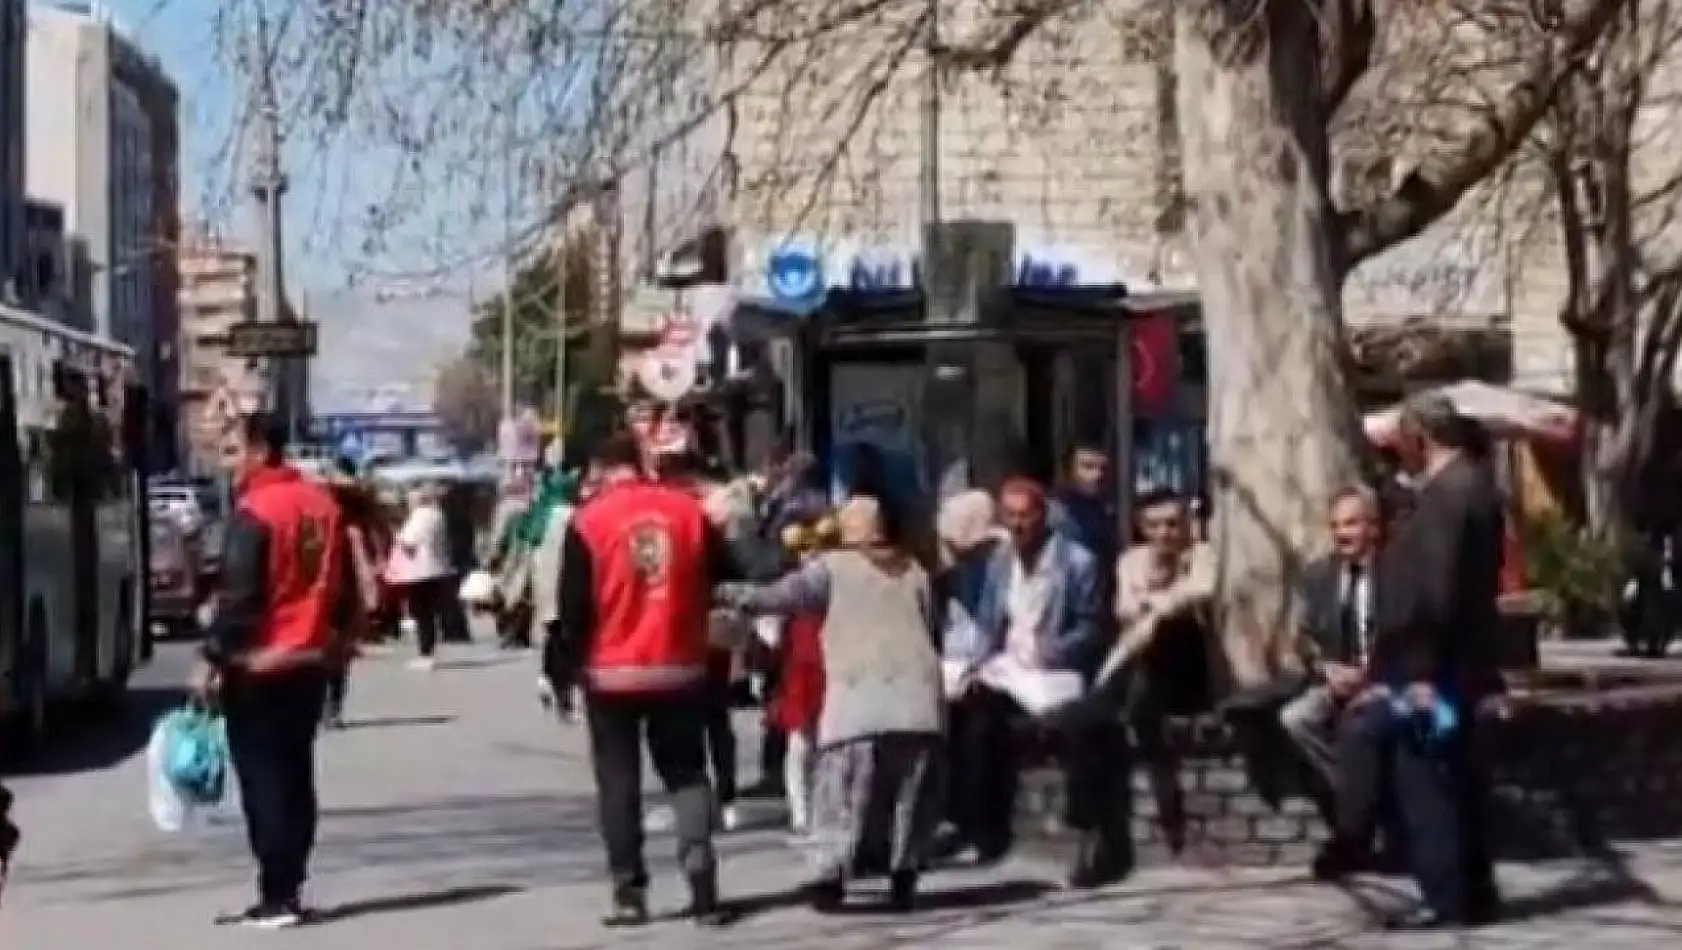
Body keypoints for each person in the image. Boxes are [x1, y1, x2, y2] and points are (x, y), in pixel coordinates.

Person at [716, 495, 945, 912]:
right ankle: (903, 872)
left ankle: (830, 876)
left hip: (859, 698)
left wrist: (731, 593)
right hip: (919, 699)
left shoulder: (832, 569)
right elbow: (931, 627)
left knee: (840, 792)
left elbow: (780, 597)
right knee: (907, 794)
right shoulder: (916, 571)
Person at [545, 433, 737, 927]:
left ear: (602, 469)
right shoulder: (688, 511)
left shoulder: (589, 521)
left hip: (612, 674)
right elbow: (727, 575)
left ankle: (629, 892)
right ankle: (701, 880)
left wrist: (563, 671)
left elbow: (573, 609)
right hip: (680, 665)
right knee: (687, 771)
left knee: (618, 783)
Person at [1344, 394, 1505, 929]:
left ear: (1422, 437)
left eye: (1401, 441)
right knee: (1457, 779)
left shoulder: (1447, 498)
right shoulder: (1476, 488)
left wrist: (1421, 676)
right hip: (1459, 660)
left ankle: (1448, 898)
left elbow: (1437, 592)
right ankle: (1474, 894)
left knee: (1427, 783)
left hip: (1434, 668)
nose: (1398, 452)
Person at [192, 412, 355, 928]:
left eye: (233, 452)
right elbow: (344, 586)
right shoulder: (321, 505)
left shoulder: (255, 512)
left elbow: (242, 598)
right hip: (309, 661)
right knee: (295, 775)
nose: (228, 464)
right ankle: (291, 885)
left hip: (260, 664)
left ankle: (276, 894)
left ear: (262, 451)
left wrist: (212, 656)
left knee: (263, 782)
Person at [954, 478, 1122, 887]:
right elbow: (991, 626)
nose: (1017, 525)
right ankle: (979, 827)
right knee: (970, 714)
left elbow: (1092, 629)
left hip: (1056, 672)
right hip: (1010, 669)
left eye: (1025, 516)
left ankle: (1088, 839)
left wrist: (1050, 652)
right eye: (1009, 516)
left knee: (1082, 734)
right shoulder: (999, 563)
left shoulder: (1078, 562)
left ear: (1043, 517)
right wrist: (974, 666)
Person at [1278, 485, 1384, 857]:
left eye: (1352, 524)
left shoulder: (1397, 572)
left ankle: (1362, 810)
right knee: (1295, 718)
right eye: (1337, 525)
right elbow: (1303, 640)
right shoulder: (1319, 576)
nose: (1343, 534)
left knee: (1366, 723)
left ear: (1374, 527)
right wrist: (1327, 670)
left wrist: (1375, 677)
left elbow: (1411, 633)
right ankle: (1360, 795)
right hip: (1337, 681)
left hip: (1384, 681)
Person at [766, 514, 837, 838]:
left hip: (829, 667)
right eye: (805, 550)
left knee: (822, 745)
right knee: (802, 744)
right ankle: (801, 812)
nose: (811, 556)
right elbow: (772, 632)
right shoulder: (793, 586)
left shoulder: (836, 580)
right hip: (803, 670)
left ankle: (820, 811)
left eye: (817, 548)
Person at [322, 461, 385, 728]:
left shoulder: (343, 526)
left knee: (332, 653)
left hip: (335, 592)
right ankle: (331, 707)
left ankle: (330, 707)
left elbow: (364, 564)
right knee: (336, 654)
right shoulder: (352, 524)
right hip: (339, 593)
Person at [388, 483, 453, 670]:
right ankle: (429, 650)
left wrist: (396, 535)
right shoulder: (438, 515)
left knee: (421, 613)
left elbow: (410, 543)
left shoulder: (419, 517)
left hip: (419, 572)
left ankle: (425, 653)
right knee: (429, 613)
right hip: (437, 569)